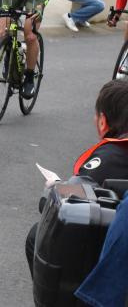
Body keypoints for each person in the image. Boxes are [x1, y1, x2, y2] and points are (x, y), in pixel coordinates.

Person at [25, 79, 128, 276]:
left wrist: (54, 186)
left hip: (115, 248)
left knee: (36, 235)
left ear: (102, 121)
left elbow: (64, 203)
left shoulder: (109, 157)